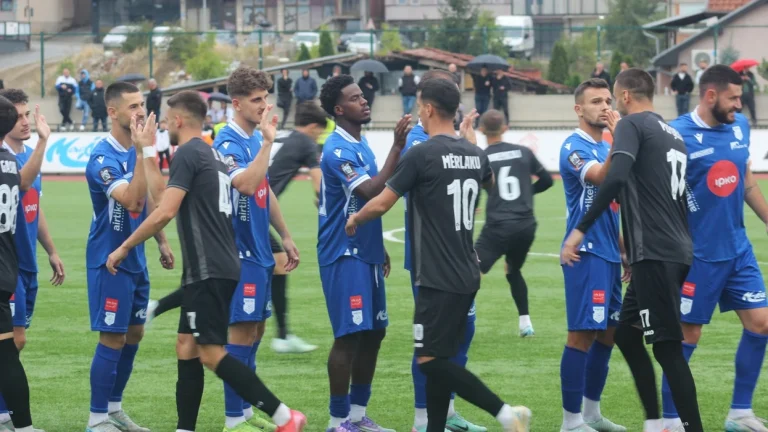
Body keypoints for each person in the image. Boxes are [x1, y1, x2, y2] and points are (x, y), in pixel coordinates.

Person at [104, 90, 307, 432]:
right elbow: (162, 194)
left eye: (166, 121)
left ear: (179, 120)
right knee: (186, 346)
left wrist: (124, 247)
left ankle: (283, 416)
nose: (164, 126)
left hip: (208, 269)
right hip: (217, 266)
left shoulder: (188, 153)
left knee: (211, 354)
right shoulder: (210, 153)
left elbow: (164, 210)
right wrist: (146, 150)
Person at [345, 78, 532, 432]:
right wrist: (470, 144)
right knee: (441, 356)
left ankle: (507, 414)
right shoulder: (474, 154)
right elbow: (493, 190)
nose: (419, 111)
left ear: (429, 109)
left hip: (435, 274)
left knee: (430, 361)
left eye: (419, 106)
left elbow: (382, 202)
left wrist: (355, 218)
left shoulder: (421, 154)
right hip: (467, 270)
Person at [562, 68, 704, 432]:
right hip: (668, 249)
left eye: (611, 98)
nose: (608, 106)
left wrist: (579, 229)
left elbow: (615, 178)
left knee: (667, 349)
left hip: (656, 252)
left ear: (624, 97)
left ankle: (691, 428)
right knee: (625, 334)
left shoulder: (630, 125)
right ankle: (654, 422)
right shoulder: (672, 133)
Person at [661, 65, 768, 432]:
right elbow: (659, 195)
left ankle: (739, 413)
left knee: (762, 323)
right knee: (687, 336)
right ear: (710, 96)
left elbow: (746, 180)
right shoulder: (675, 135)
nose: (740, 104)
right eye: (733, 98)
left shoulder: (740, 127)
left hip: (738, 249)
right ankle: (670, 420)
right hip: (697, 255)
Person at [317, 74, 410, 432]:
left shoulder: (361, 143)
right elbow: (370, 191)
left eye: (363, 96)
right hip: (343, 253)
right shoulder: (337, 149)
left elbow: (363, 203)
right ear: (339, 109)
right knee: (349, 335)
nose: (364, 100)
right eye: (355, 98)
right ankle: (337, 421)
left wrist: (378, 244)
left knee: (374, 333)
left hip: (365, 250)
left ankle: (357, 416)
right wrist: (397, 147)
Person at [83, 82, 174, 432]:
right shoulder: (102, 158)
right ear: (112, 112)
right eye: (133, 106)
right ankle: (96, 418)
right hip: (110, 260)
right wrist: (141, 151)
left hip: (135, 258)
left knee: (135, 333)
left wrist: (161, 240)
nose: (140, 112)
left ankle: (114, 409)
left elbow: (151, 199)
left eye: (141, 105)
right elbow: (133, 201)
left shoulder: (137, 150)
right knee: (113, 336)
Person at [401, 69, 486, 432]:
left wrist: (471, 145)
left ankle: (447, 411)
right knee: (430, 342)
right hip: (429, 261)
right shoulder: (417, 143)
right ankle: (423, 419)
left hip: (460, 258)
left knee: (463, 333)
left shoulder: (457, 142)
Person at [557, 78, 626, 432]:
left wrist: (623, 247)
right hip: (586, 253)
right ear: (578, 109)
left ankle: (592, 414)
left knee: (608, 335)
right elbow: (601, 177)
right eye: (596, 101)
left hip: (610, 252)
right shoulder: (574, 146)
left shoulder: (605, 145)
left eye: (608, 100)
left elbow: (612, 203)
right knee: (582, 335)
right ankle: (570, 422)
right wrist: (619, 139)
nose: (604, 107)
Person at [476, 109, 552, 338]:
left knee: (472, 270)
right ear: (505, 128)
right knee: (513, 269)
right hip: (526, 225)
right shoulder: (523, 152)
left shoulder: (482, 156)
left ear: (481, 129)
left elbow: (475, 185)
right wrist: (527, 193)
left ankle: (458, 320)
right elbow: (547, 181)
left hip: (498, 226)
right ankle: (525, 324)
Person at [0, 93, 47, 432]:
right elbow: (25, 183)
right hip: (6, 268)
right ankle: (24, 426)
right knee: (7, 353)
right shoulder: (9, 161)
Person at [268, 101, 327, 354]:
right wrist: (327, 206)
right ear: (313, 127)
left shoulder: (284, 136)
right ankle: (157, 307)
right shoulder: (306, 142)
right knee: (221, 276)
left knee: (278, 264)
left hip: (245, 207)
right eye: (319, 132)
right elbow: (319, 186)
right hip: (250, 211)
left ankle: (282, 336)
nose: (318, 138)